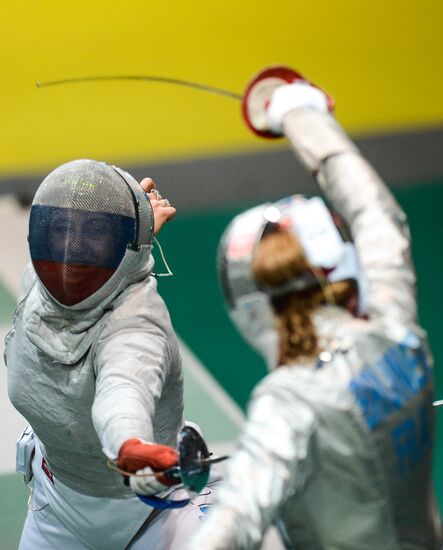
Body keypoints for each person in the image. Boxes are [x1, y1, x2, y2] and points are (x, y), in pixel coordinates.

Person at [188, 77, 442, 548]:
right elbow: (377, 215)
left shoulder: (290, 402)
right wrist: (303, 116)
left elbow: (233, 521)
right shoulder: (395, 328)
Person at [5, 159, 215, 549]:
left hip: (155, 514)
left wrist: (130, 446)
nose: (72, 249)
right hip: (57, 507)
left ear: (126, 246)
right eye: (64, 228)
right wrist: (129, 212)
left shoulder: (136, 324)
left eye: (95, 233)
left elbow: (123, 392)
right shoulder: (38, 279)